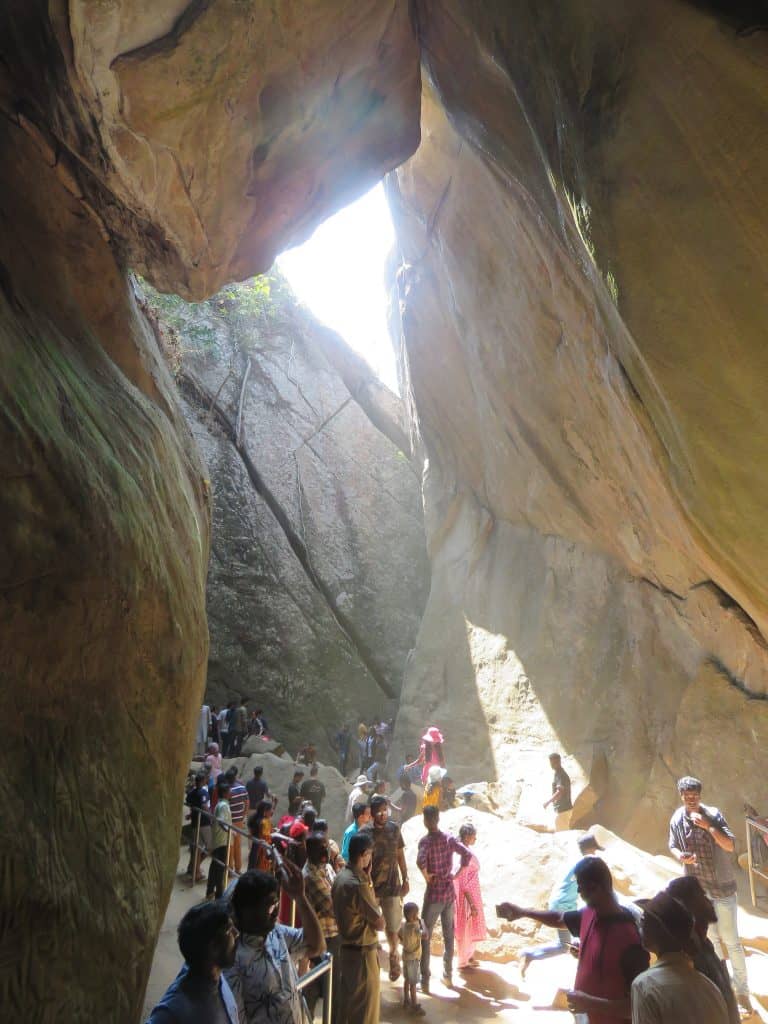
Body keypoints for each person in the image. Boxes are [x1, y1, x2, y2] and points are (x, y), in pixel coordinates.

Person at [498, 856, 649, 1023]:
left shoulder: (630, 940)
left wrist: (590, 1004)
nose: (578, 892)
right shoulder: (589, 913)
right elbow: (559, 918)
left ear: (595, 888)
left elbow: (637, 1007)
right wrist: (523, 912)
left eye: (580, 887)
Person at [668, 776, 751, 1013]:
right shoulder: (677, 818)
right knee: (711, 943)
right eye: (687, 796)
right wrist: (679, 856)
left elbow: (729, 846)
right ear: (681, 796)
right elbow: (672, 844)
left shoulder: (713, 814)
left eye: (695, 795)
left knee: (732, 942)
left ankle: (742, 992)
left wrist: (708, 826)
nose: (691, 800)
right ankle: (721, 990)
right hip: (698, 894)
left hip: (722, 889)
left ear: (700, 796)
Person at [225, 865, 325, 1024]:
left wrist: (300, 897)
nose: (275, 913)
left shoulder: (276, 933)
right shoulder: (232, 960)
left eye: (276, 905)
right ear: (247, 910)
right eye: (270, 906)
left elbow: (317, 946)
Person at [631, 890, 728, 1023]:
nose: (640, 925)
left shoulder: (645, 986)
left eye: (643, 920)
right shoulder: (710, 988)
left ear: (659, 931)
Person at [519, 832, 605, 975]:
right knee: (574, 943)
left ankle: (529, 954)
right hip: (564, 904)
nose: (595, 852)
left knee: (565, 945)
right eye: (594, 849)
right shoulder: (587, 860)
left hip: (562, 902)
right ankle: (529, 954)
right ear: (590, 849)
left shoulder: (576, 860)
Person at [145, 900, 239, 1023]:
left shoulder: (215, 976)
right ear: (213, 947)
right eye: (229, 930)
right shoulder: (175, 1011)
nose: (236, 933)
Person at [666, 876, 739, 1024]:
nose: (709, 901)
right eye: (702, 896)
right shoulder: (689, 958)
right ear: (688, 906)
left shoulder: (705, 944)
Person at [416, 804, 471, 991]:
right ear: (438, 819)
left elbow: (420, 861)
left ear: (425, 821)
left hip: (434, 894)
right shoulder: (448, 838)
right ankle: (448, 976)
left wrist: (426, 876)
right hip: (448, 893)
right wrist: (457, 871)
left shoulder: (425, 842)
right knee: (448, 936)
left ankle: (424, 981)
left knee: (425, 935)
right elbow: (466, 853)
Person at [332, 831, 384, 1024]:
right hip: (362, 955)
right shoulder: (358, 884)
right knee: (365, 1014)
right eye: (369, 854)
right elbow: (379, 923)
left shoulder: (341, 877)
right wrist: (368, 882)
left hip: (346, 951)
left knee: (348, 1009)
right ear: (363, 855)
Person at [361, 794, 409, 981]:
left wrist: (405, 878)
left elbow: (400, 855)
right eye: (379, 811)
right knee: (371, 926)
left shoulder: (394, 829)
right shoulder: (364, 833)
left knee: (393, 925)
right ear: (372, 814)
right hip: (372, 888)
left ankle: (394, 958)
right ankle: (371, 965)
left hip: (392, 887)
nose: (383, 814)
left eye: (385, 810)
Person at [302, 833, 341, 1022]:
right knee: (331, 987)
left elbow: (339, 888)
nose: (325, 850)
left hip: (334, 933)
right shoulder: (310, 875)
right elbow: (333, 907)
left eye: (326, 846)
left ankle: (305, 1016)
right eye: (320, 848)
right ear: (309, 852)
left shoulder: (324, 866)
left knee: (320, 984)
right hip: (325, 937)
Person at [453, 822, 487, 971]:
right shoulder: (464, 854)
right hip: (466, 897)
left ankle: (469, 956)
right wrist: (471, 903)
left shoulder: (460, 850)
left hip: (468, 894)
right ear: (467, 837)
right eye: (474, 836)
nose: (476, 839)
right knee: (465, 927)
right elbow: (463, 880)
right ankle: (463, 960)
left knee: (467, 926)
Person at [399, 902, 427, 1016]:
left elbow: (399, 935)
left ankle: (406, 1000)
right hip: (414, 959)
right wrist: (423, 923)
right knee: (413, 983)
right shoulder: (416, 928)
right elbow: (425, 935)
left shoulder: (403, 925)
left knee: (406, 979)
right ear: (414, 916)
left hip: (406, 956)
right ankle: (415, 1005)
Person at [207, 781, 233, 901]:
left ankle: (210, 891)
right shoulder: (223, 806)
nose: (231, 792)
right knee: (219, 868)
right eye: (229, 791)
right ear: (225, 793)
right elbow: (223, 822)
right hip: (222, 840)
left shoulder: (220, 804)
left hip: (218, 839)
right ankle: (219, 895)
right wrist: (230, 831)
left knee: (215, 866)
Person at [186, 772, 212, 883]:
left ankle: (195, 871)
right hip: (204, 823)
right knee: (211, 847)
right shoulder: (203, 793)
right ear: (202, 781)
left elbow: (191, 806)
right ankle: (196, 869)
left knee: (197, 848)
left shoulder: (191, 793)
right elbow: (204, 806)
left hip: (195, 823)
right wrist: (212, 816)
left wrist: (191, 815)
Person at [227, 766, 250, 876]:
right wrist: (243, 815)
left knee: (230, 846)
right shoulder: (242, 788)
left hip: (230, 821)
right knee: (238, 845)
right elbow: (247, 802)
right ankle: (238, 868)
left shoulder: (228, 791)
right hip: (239, 821)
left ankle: (230, 868)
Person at [543, 752, 572, 830]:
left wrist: (548, 802)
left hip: (563, 810)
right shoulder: (558, 773)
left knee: (563, 834)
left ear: (558, 762)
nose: (551, 765)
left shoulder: (560, 774)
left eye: (553, 762)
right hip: (563, 809)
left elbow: (560, 791)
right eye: (551, 763)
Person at [247, 800, 275, 873]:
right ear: (265, 811)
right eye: (271, 809)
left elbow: (252, 833)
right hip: (263, 851)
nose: (272, 811)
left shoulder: (256, 819)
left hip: (255, 848)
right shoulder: (265, 822)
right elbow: (267, 837)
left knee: (253, 866)